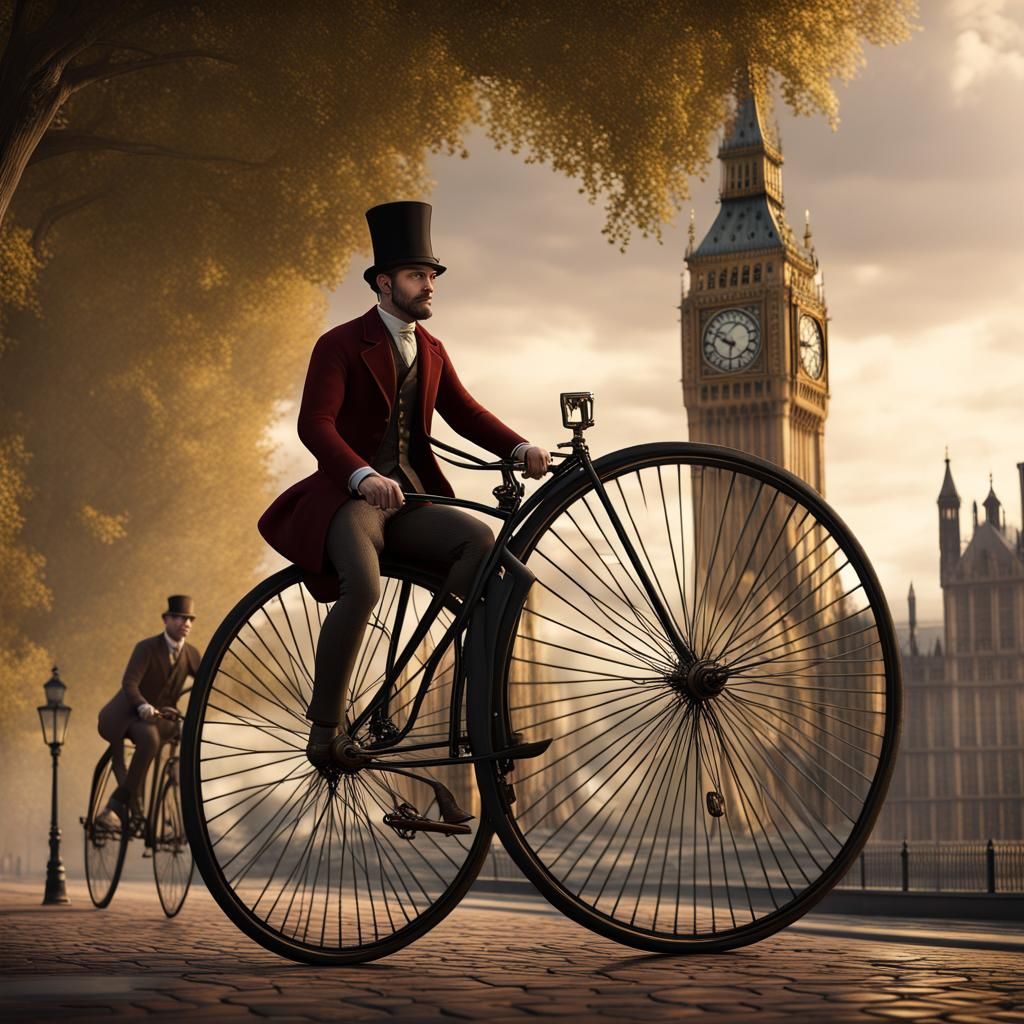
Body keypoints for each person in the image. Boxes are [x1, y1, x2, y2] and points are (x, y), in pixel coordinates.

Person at [258, 201, 549, 784]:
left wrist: (520, 450)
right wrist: (363, 475)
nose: (430, 284)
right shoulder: (339, 344)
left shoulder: (432, 349)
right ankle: (325, 730)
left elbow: (465, 413)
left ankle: (481, 718)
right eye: (419, 275)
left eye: (433, 275)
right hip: (350, 500)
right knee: (361, 588)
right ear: (385, 283)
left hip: (413, 499)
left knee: (491, 557)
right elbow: (314, 425)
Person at [94, 596, 201, 827]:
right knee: (149, 740)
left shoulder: (191, 655)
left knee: (178, 738)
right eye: (179, 618)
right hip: (127, 714)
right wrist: (142, 704)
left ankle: (168, 813)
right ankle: (116, 806)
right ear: (166, 620)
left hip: (159, 719)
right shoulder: (147, 648)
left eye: (189, 619)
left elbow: (205, 683)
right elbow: (129, 682)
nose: (186, 623)